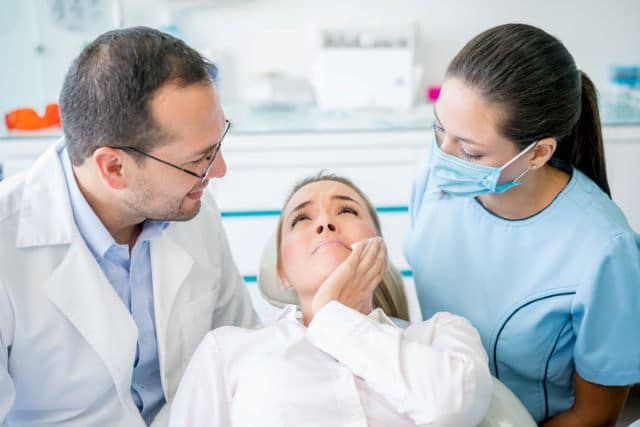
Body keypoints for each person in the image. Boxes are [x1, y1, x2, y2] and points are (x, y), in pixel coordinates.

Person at [0, 27, 259, 426]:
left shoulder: (194, 213)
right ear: (114, 167)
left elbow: (244, 355)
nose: (219, 170)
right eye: (199, 160)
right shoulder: (7, 244)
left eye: (219, 141)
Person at [403, 23, 640, 426]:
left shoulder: (605, 250)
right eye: (440, 129)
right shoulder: (435, 182)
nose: (443, 157)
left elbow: (595, 413)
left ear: (538, 153)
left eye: (470, 152)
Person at [169, 174, 493, 427]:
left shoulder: (441, 335)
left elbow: (454, 407)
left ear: (379, 248)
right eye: (301, 219)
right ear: (282, 272)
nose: (325, 223)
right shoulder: (227, 352)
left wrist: (332, 320)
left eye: (347, 210)